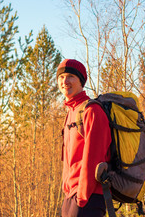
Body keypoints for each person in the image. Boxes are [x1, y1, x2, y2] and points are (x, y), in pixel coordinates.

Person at [57, 59, 111, 217]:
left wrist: (82, 197)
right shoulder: (71, 113)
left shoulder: (91, 111)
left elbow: (94, 158)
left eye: (70, 76)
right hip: (70, 196)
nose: (65, 81)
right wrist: (68, 193)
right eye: (61, 77)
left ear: (81, 81)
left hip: (88, 197)